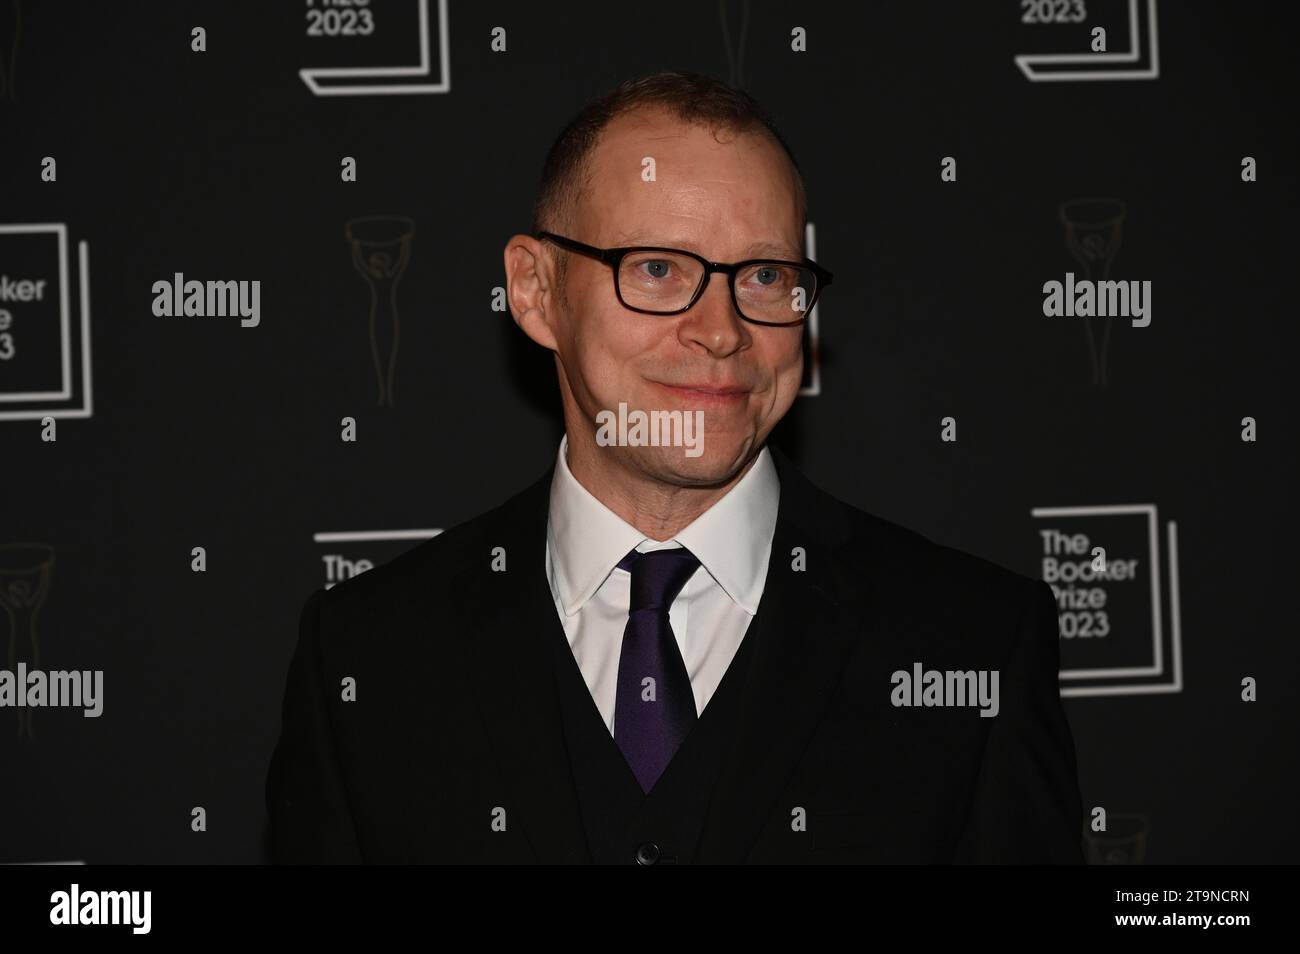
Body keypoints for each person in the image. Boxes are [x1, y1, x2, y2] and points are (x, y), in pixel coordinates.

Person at [266, 70, 1083, 864]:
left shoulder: (972, 642)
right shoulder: (367, 659)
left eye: (764, 276)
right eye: (658, 268)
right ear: (536, 289)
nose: (721, 330)